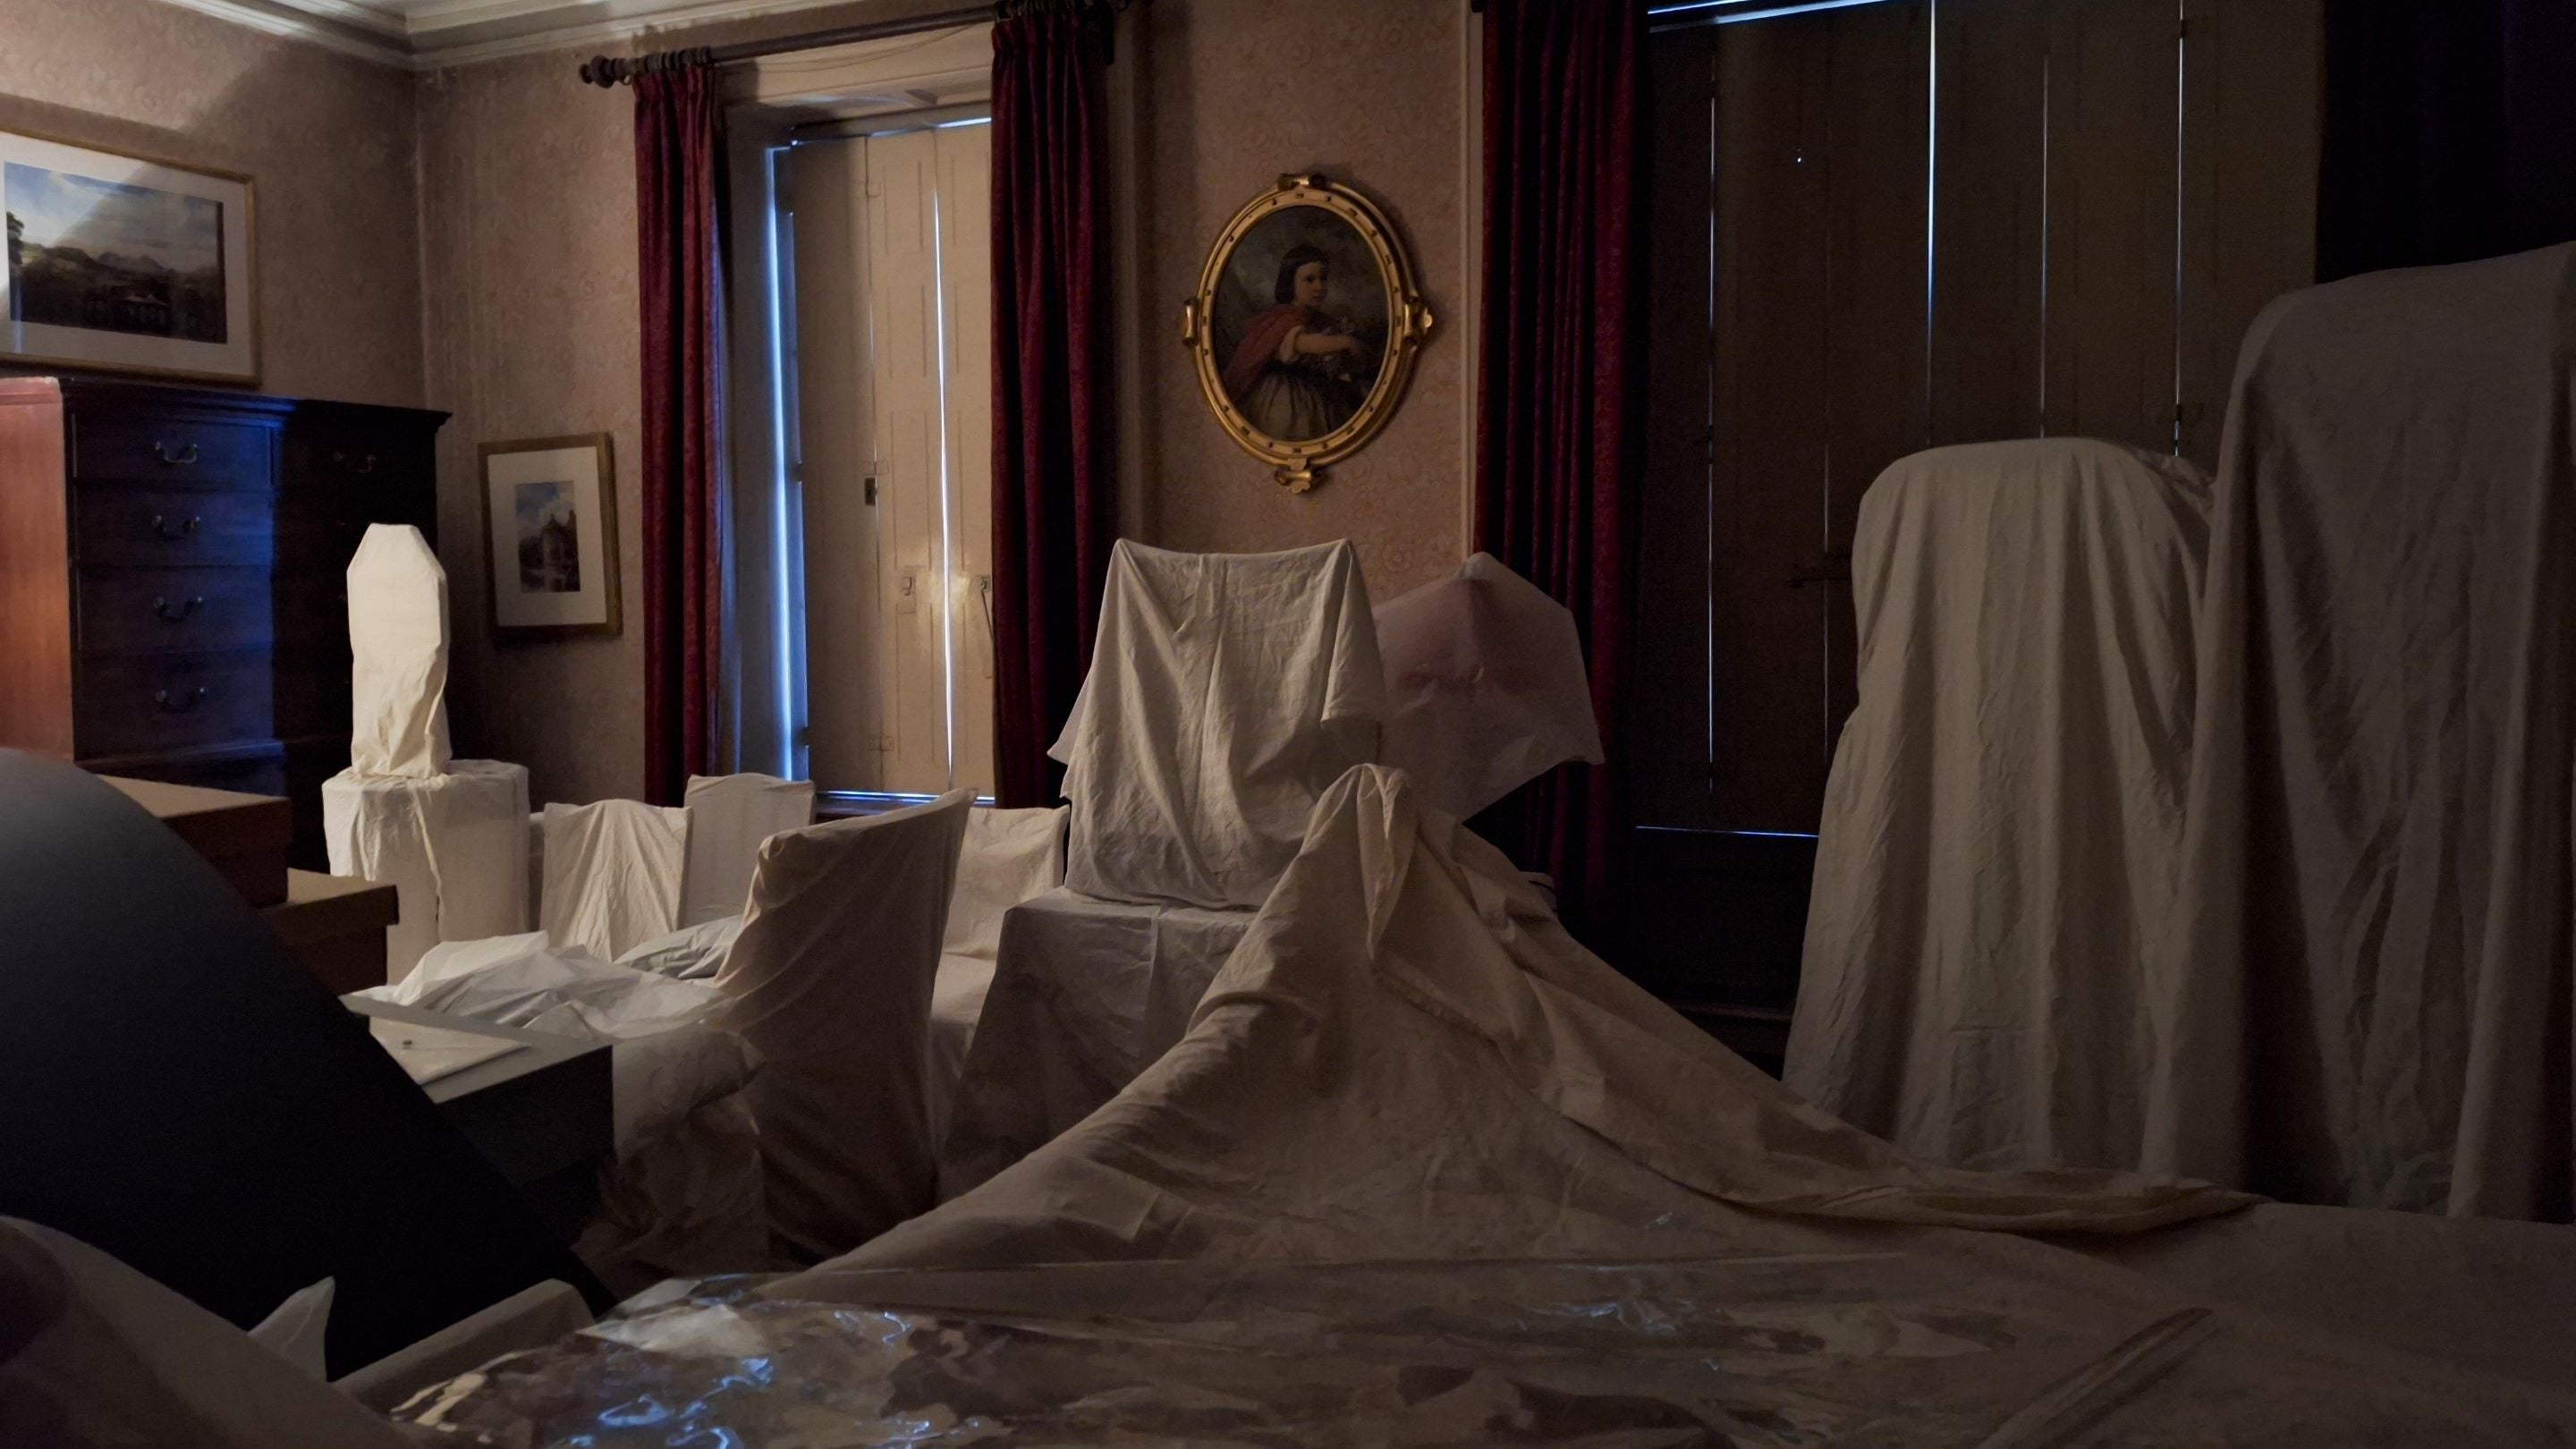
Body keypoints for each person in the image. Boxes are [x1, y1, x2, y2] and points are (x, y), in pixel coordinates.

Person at [1220, 245, 1374, 441]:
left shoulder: (1316, 318)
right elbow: (1304, 343)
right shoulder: (1284, 319)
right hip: (1285, 397)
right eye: (1309, 280)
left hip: (1312, 391)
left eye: (1323, 278)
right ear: (1290, 283)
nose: (1319, 286)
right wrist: (1346, 341)